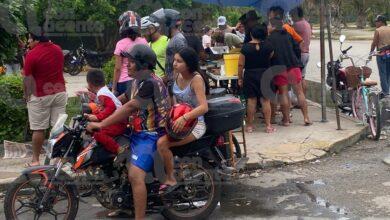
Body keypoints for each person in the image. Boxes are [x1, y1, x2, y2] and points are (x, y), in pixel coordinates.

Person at [87, 44, 170, 220]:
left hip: (152, 134)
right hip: (136, 132)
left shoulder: (150, 83)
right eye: (128, 61)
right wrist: (97, 112)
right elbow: (120, 101)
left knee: (135, 175)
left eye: (132, 62)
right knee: (116, 161)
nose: (127, 65)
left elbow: (129, 107)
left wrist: (101, 124)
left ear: (143, 64)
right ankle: (124, 204)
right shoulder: (135, 82)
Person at [157, 47, 208, 193]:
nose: (175, 64)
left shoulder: (196, 79)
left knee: (162, 143)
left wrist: (184, 117)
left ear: (189, 64)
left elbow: (204, 107)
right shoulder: (176, 75)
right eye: (174, 60)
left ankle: (171, 178)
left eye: (179, 61)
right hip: (179, 121)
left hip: (196, 124)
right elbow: (174, 102)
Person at [23, 32, 67, 167]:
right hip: (59, 93)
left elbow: (27, 79)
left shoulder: (32, 54)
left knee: (38, 129)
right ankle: (58, 159)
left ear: (37, 40)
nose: (28, 42)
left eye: (30, 39)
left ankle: (35, 160)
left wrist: (26, 95)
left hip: (40, 95)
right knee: (58, 127)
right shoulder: (58, 50)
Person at [268, 17, 311, 126]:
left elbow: (269, 55)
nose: (267, 27)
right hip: (293, 66)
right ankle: (306, 117)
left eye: (269, 25)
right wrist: (295, 60)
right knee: (300, 92)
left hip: (279, 68)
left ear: (273, 26)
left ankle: (286, 120)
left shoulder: (270, 38)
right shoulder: (288, 35)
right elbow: (297, 48)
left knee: (284, 94)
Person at [238, 24, 275, 133]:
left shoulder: (245, 48)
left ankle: (249, 126)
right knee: (265, 100)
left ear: (251, 34)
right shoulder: (269, 46)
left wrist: (240, 78)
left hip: (250, 75)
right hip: (265, 73)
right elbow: (271, 57)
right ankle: (268, 126)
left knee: (251, 100)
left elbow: (241, 65)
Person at [84, 69, 127, 154]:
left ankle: (118, 149)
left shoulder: (101, 93)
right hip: (118, 120)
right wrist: (92, 115)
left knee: (98, 133)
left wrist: (97, 117)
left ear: (90, 84)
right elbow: (104, 108)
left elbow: (111, 107)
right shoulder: (104, 90)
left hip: (118, 123)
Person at [113, 11, 148, 96]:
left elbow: (118, 68)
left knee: (125, 107)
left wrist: (114, 88)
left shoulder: (121, 44)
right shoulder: (144, 41)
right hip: (140, 80)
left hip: (124, 82)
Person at [149, 8, 187, 85]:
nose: (159, 28)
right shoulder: (173, 39)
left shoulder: (178, 40)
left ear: (169, 25)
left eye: (161, 25)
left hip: (177, 85)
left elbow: (184, 65)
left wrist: (167, 79)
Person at [291, 6, 312, 94]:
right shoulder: (307, 23)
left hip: (300, 54)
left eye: (292, 15)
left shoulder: (297, 25)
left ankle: (297, 99)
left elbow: (287, 31)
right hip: (306, 53)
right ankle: (303, 99)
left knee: (295, 80)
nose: (292, 18)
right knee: (302, 78)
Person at [370, 15, 390, 98]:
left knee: (383, 73)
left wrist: (370, 53)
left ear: (381, 22)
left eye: (377, 22)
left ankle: (385, 92)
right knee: (388, 73)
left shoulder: (378, 30)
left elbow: (374, 43)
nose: (376, 23)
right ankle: (386, 90)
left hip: (381, 54)